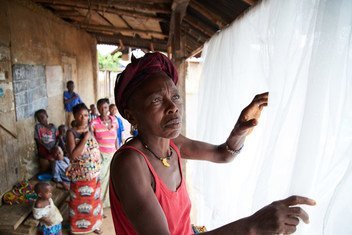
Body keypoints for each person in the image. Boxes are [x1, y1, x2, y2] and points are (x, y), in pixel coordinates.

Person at [110, 52, 316, 235]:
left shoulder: (172, 145)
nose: (172, 107)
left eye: (175, 96)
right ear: (131, 116)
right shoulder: (130, 163)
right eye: (156, 100)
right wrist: (252, 226)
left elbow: (223, 154)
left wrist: (238, 131)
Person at [66, 103, 103, 234]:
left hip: (93, 174)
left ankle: (94, 225)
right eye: (80, 115)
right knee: (78, 201)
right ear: (75, 116)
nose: (83, 118)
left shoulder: (90, 128)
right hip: (79, 175)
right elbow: (73, 155)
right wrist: (85, 138)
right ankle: (75, 228)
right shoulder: (71, 133)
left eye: (86, 115)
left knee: (94, 201)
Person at [91, 98, 118, 208]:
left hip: (113, 153)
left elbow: (116, 137)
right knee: (101, 179)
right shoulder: (94, 123)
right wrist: (95, 156)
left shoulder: (114, 120)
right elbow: (92, 141)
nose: (103, 110)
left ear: (108, 108)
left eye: (105, 107)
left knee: (112, 179)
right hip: (101, 155)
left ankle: (108, 203)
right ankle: (99, 204)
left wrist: (117, 150)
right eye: (101, 107)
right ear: (97, 108)